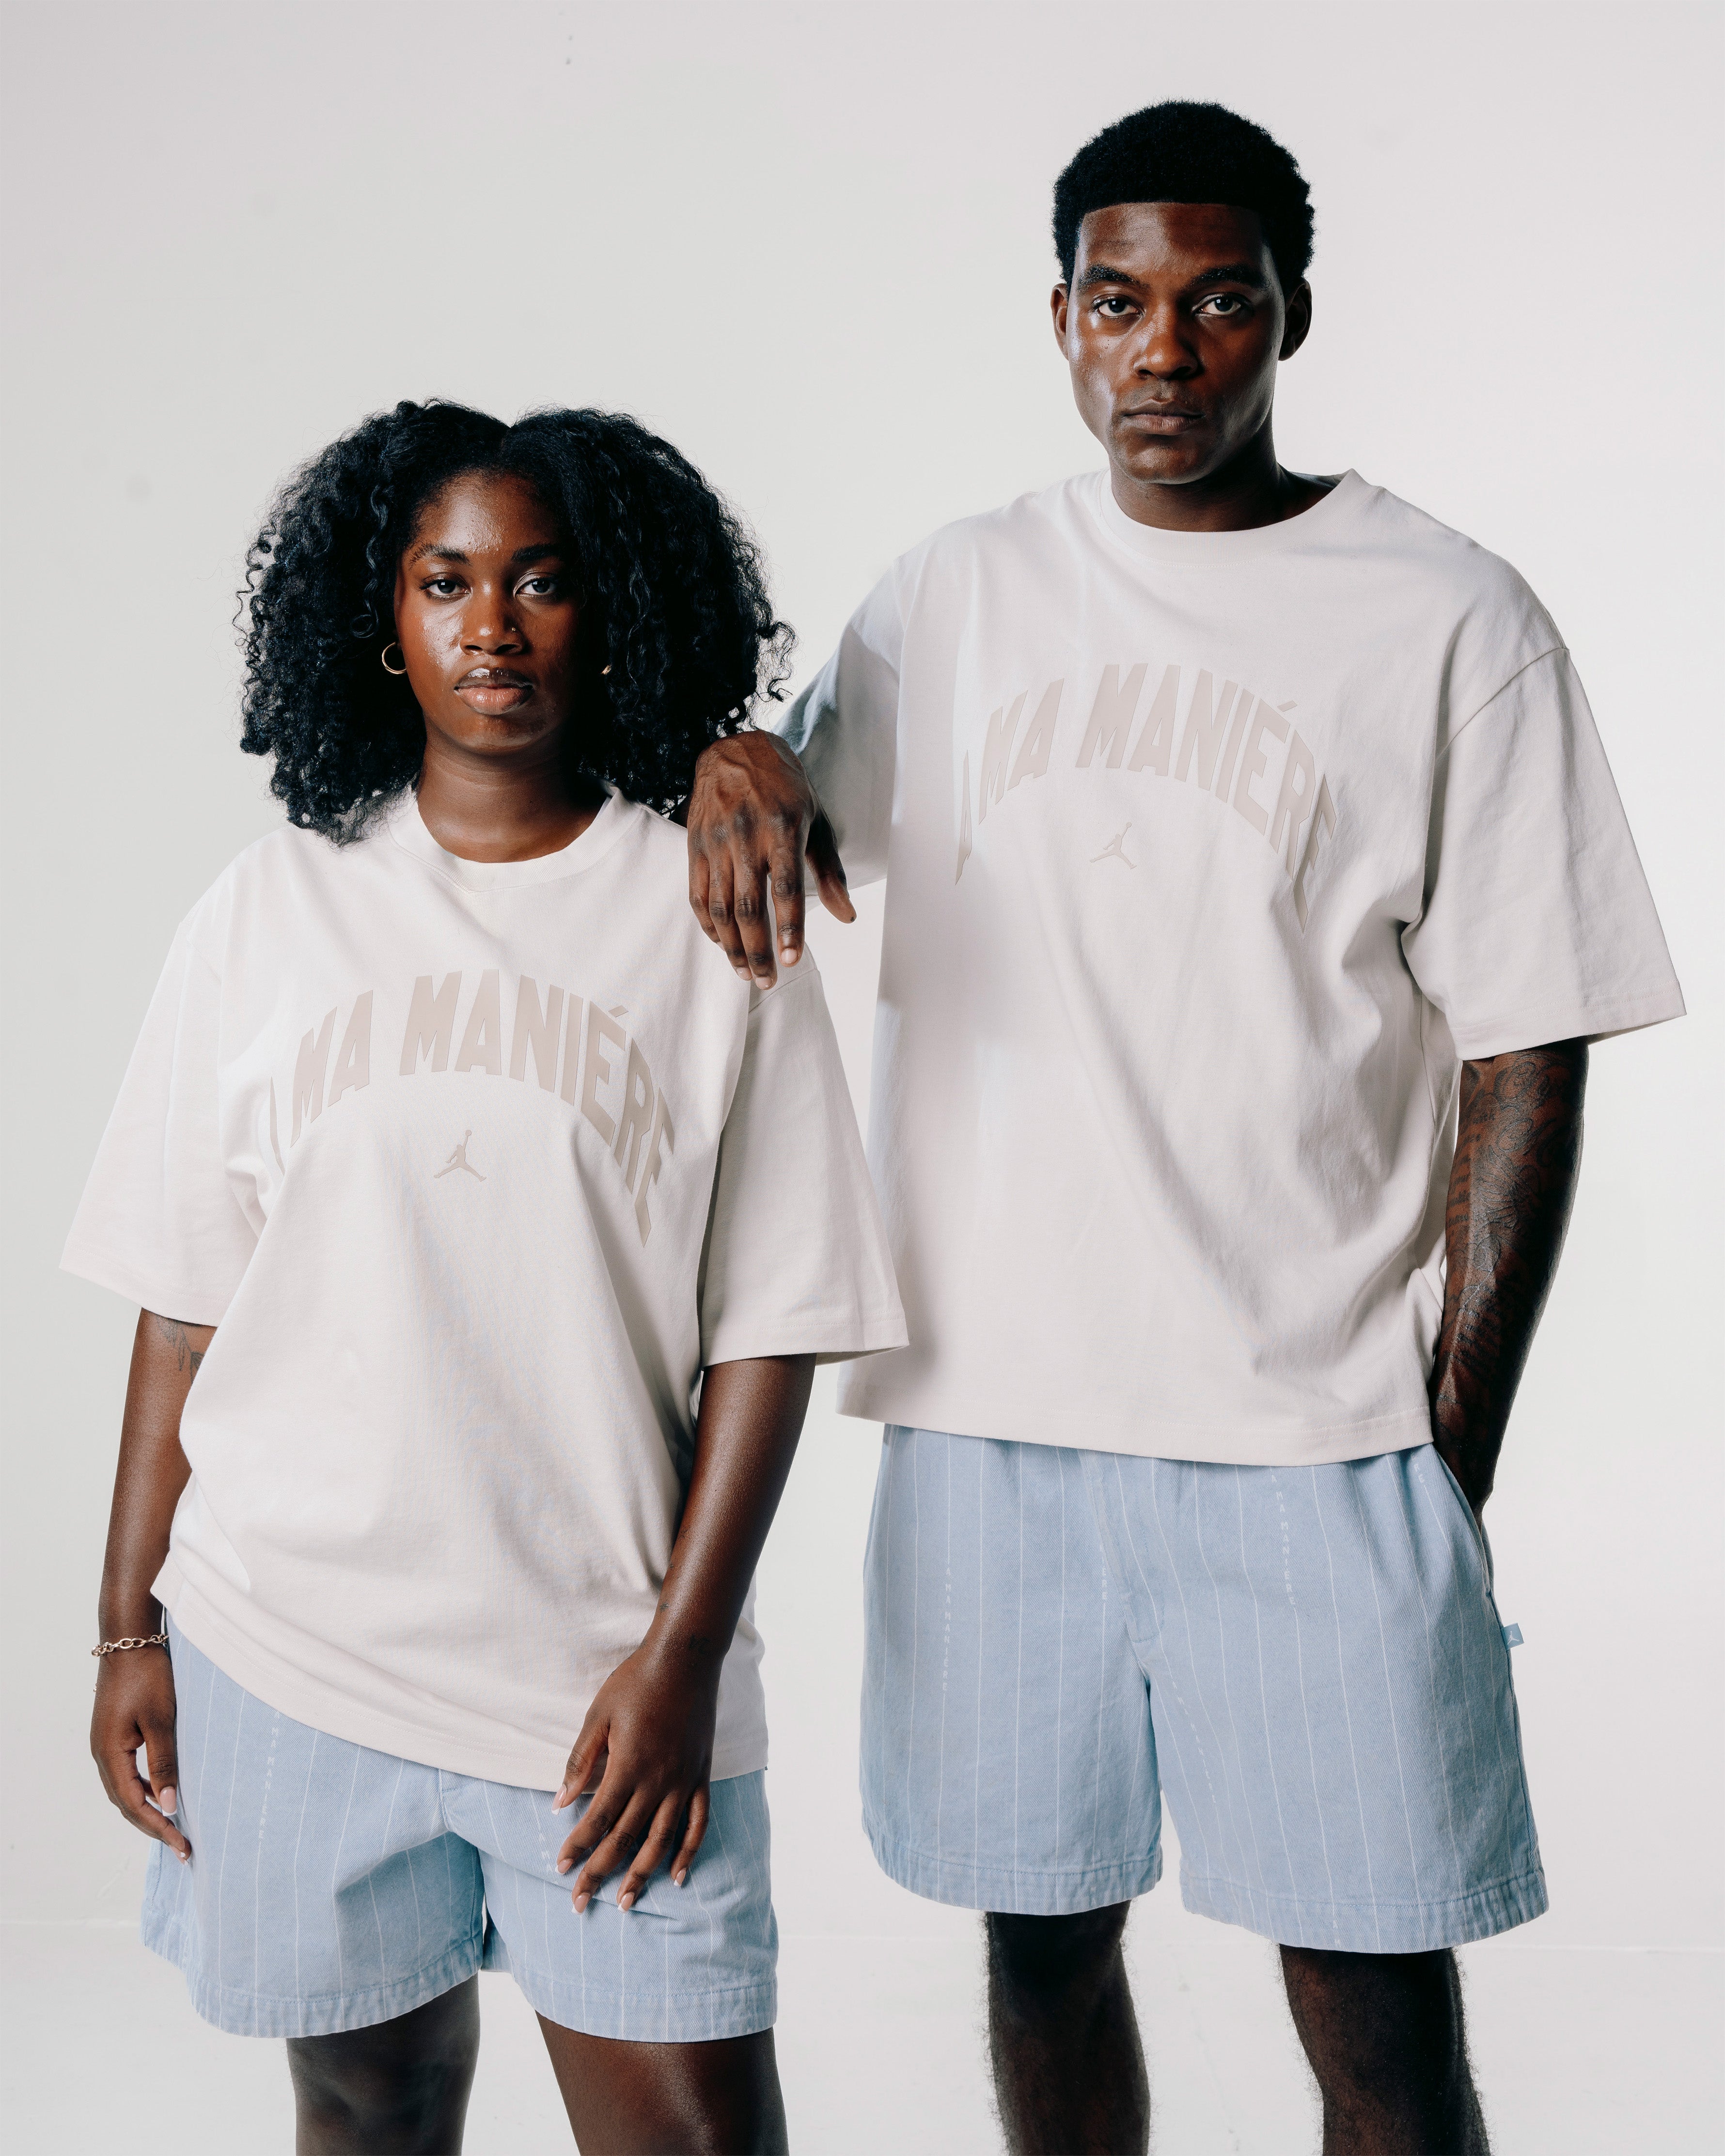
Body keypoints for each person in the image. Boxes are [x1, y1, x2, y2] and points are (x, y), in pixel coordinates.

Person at [684, 101, 1684, 2155]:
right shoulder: (954, 595)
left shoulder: (1445, 616)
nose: (1163, 351)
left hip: (1313, 1431)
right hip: (988, 1421)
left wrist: (1450, 1437)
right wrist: (728, 754)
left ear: (1290, 315)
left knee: (1376, 1998)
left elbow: (1528, 1041)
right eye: (1116, 301)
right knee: (1041, 1950)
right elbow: (778, 823)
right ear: (1058, 317)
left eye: (1217, 302)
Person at [67, 401, 905, 2155]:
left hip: (602, 1680)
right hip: (289, 1649)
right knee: (364, 2106)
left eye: (542, 580)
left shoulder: (710, 908)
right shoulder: (268, 910)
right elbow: (184, 1304)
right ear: (384, 617)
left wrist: (682, 1658)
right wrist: (127, 1623)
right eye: (445, 581)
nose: (492, 626)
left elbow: (773, 1334)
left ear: (616, 610)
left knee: (696, 2129)